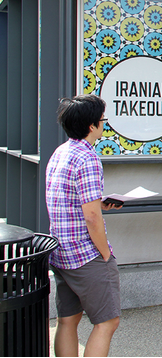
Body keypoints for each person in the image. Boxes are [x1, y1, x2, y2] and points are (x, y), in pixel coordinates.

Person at [46, 94, 121, 357]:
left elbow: (66, 197)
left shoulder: (60, 152)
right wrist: (105, 254)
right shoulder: (88, 158)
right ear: (92, 126)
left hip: (60, 251)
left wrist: (99, 204)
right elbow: (91, 218)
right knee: (107, 321)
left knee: (67, 319)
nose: (104, 124)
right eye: (103, 120)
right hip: (85, 254)